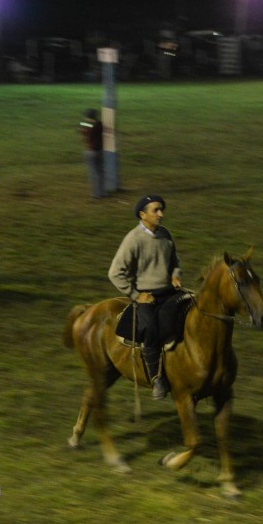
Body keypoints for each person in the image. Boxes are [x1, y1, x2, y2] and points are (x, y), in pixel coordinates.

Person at [109, 195, 183, 399]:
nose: (161, 214)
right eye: (156, 210)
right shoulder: (133, 239)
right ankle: (156, 378)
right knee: (149, 328)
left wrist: (176, 274)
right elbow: (115, 272)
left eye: (162, 210)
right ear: (143, 214)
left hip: (169, 291)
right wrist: (135, 295)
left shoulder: (165, 234)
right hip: (146, 295)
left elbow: (175, 260)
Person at [79, 109, 105, 199]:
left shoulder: (86, 126)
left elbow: (82, 130)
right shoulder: (99, 125)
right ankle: (101, 192)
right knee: (100, 172)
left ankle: (95, 194)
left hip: (89, 150)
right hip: (99, 151)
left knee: (93, 173)